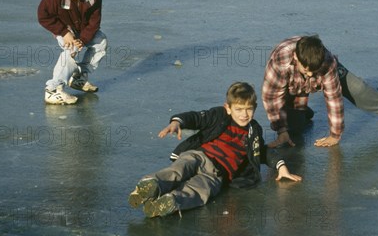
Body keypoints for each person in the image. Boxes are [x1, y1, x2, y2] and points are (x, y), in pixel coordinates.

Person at [128, 82, 302, 218]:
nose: (244, 114)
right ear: (228, 108)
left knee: (200, 190)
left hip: (217, 173)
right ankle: (150, 185)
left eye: (249, 109)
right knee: (178, 169)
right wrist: (177, 122)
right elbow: (196, 118)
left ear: (255, 109)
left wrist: (281, 166)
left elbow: (263, 152)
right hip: (200, 155)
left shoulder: (253, 130)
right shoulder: (219, 115)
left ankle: (171, 201)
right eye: (239, 109)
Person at [262, 35, 378, 148]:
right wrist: (281, 130)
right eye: (306, 70)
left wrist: (335, 135)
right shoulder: (279, 63)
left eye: (314, 71)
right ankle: (302, 112)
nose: (310, 75)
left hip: (322, 74)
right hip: (290, 87)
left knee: (357, 88)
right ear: (296, 58)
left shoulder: (327, 61)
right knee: (294, 129)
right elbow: (271, 98)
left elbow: (333, 98)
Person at [38, 0, 107, 105]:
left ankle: (79, 78)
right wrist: (63, 32)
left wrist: (83, 39)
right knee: (71, 49)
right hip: (63, 29)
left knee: (101, 40)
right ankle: (53, 89)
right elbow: (43, 16)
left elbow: (94, 22)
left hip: (83, 31)